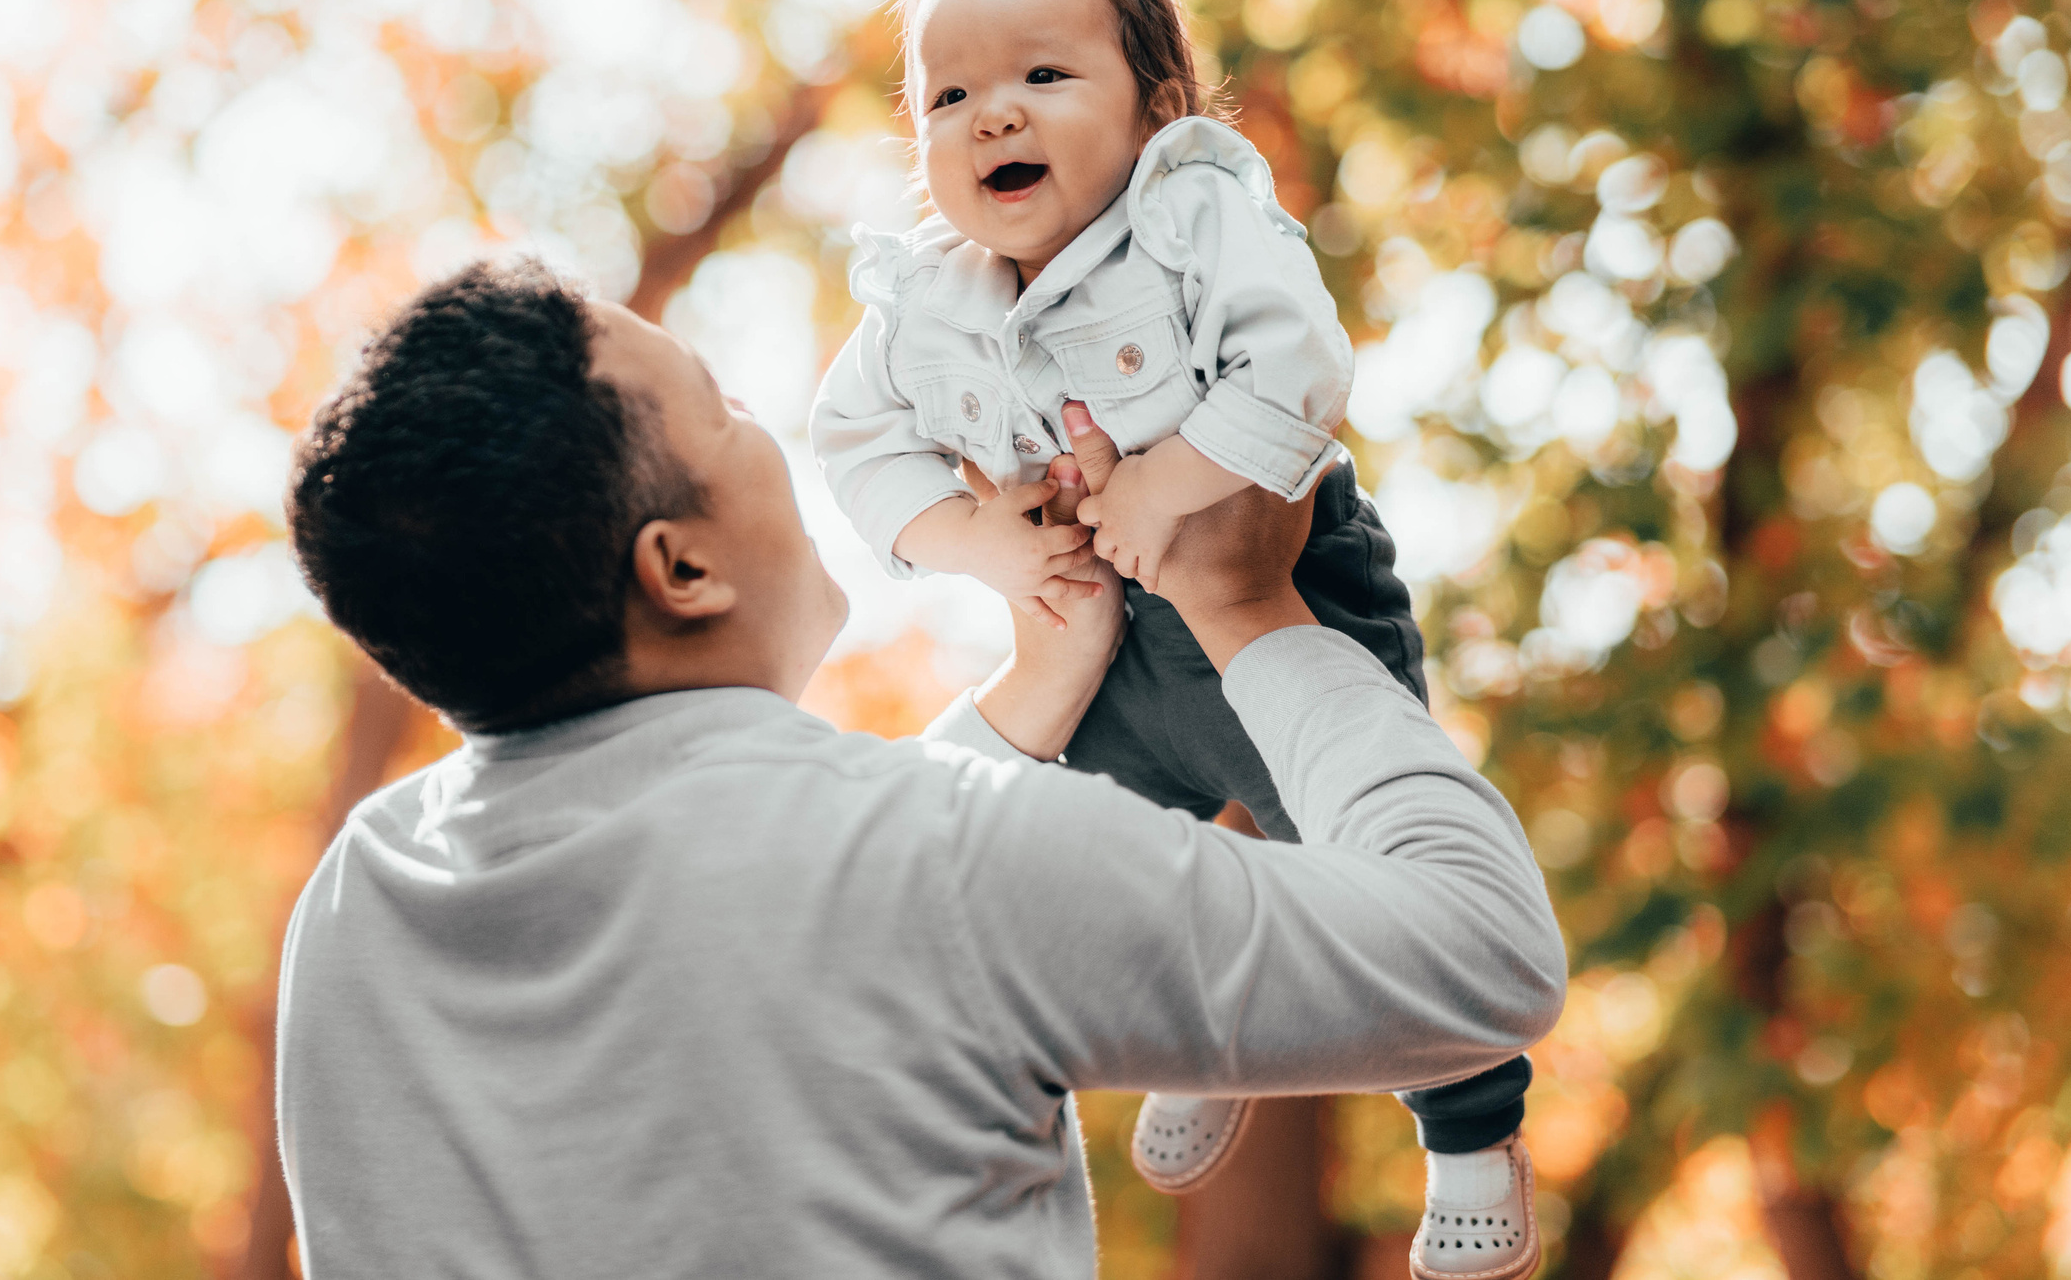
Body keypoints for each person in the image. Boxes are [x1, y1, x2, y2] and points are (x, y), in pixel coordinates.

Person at [277, 258, 1567, 1279]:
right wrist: (1249, 609)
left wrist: (1026, 707)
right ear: (682, 570)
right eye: (721, 408)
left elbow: (761, 933)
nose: (764, 429)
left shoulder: (357, 907)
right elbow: (1486, 955)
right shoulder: (943, 861)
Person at [807, 0, 1538, 1271]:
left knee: (1373, 853)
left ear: (1155, 107)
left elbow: (1302, 366)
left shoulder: (1194, 218)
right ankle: (1206, 1030)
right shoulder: (927, 306)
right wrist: (977, 536)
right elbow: (853, 439)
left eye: (1042, 75)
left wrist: (1168, 484)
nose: (992, 116)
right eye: (950, 97)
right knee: (1081, 860)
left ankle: (1470, 1130)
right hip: (1114, 645)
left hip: (1283, 584)